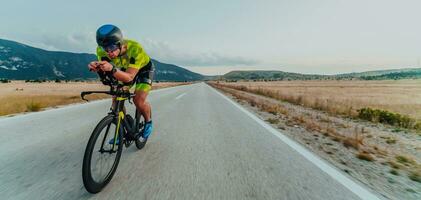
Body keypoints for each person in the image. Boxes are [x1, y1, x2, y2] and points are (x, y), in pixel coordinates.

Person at [88, 24, 154, 143]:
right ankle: (121, 130)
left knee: (138, 100)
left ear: (120, 43)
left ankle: (148, 122)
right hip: (123, 70)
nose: (109, 52)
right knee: (116, 99)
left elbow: (129, 78)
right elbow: (109, 75)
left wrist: (112, 69)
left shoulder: (135, 48)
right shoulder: (101, 51)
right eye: (105, 48)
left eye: (112, 47)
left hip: (144, 69)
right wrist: (99, 69)